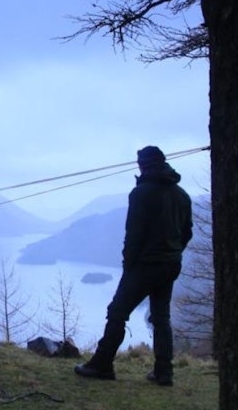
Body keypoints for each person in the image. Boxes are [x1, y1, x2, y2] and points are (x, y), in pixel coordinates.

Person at [75, 146, 193, 386]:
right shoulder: (182, 195)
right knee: (161, 317)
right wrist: (174, 252)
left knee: (117, 311)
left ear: (143, 165)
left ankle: (102, 364)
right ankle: (164, 372)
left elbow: (134, 235)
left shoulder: (141, 194)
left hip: (146, 264)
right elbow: (187, 232)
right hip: (170, 264)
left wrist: (129, 265)